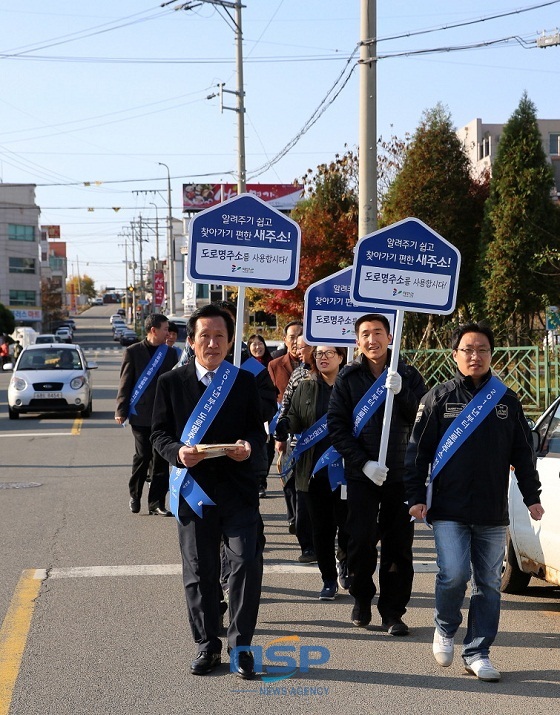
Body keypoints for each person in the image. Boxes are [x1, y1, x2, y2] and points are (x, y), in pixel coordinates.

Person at [404, 321, 544, 682]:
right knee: (453, 574)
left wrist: (532, 497)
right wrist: (416, 497)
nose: (475, 356)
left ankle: (478, 651)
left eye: (482, 349)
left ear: (491, 354)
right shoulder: (437, 398)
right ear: (455, 355)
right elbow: (417, 453)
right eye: (467, 349)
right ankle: (445, 627)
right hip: (448, 509)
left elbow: (523, 454)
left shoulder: (507, 400)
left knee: (489, 583)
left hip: (491, 512)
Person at [151, 304, 267, 679]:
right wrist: (177, 453)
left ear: (231, 341)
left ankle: (241, 647)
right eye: (205, 336)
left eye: (220, 336)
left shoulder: (243, 382)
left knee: (245, 563)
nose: (213, 343)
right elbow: (159, 433)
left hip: (237, 490)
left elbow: (256, 430)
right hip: (192, 490)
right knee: (199, 570)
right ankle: (206, 645)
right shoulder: (171, 382)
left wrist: (248, 447)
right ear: (191, 340)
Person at [328, 313, 426, 635]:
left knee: (399, 546)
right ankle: (362, 597)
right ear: (357, 341)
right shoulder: (348, 378)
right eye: (366, 334)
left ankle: (393, 612)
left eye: (379, 333)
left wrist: (403, 394)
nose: (373, 340)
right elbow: (337, 427)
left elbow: (422, 422)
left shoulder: (408, 375)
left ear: (390, 338)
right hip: (363, 475)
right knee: (361, 541)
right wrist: (363, 464)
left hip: (399, 475)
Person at [277, 345, 349, 598]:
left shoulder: (352, 386)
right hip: (313, 469)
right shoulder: (305, 387)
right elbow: (294, 417)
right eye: (319, 354)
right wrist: (285, 425)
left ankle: (345, 564)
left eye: (329, 353)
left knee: (349, 526)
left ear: (341, 357)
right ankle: (328, 578)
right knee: (321, 529)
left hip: (347, 470)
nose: (323, 358)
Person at [115, 313, 178, 516]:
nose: (168, 333)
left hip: (163, 416)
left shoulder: (169, 354)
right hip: (140, 414)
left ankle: (157, 503)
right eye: (165, 329)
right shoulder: (133, 352)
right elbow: (126, 382)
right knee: (143, 456)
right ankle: (135, 494)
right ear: (153, 330)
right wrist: (121, 410)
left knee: (161, 460)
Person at [267, 321, 303, 401]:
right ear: (285, 340)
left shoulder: (314, 363)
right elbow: (270, 396)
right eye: (292, 337)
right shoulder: (274, 365)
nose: (296, 341)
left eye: (300, 336)